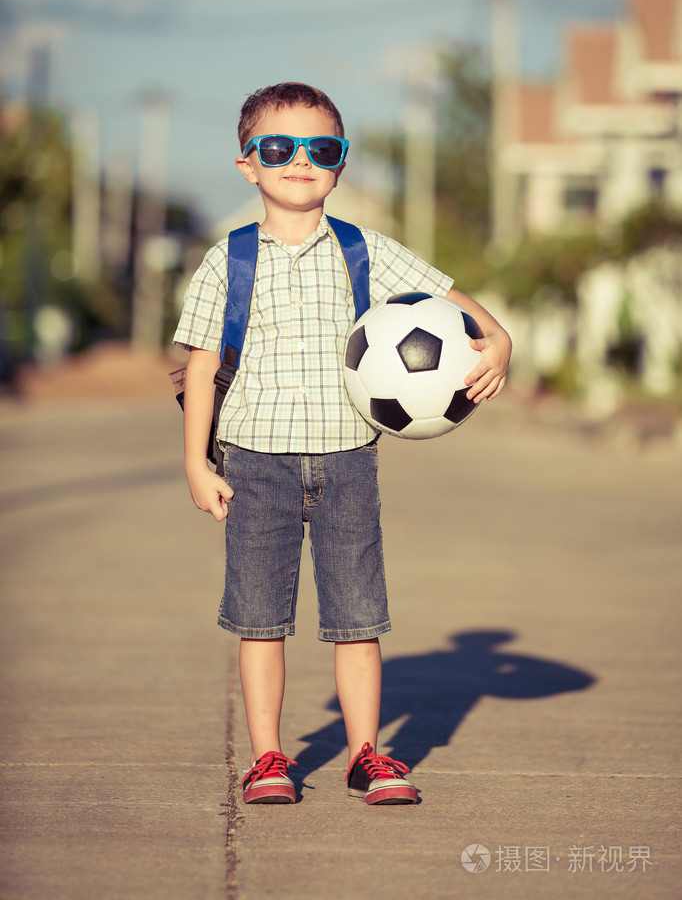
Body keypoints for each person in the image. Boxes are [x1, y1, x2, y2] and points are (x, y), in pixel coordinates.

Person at [173, 82, 511, 806]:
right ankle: (268, 755)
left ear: (341, 162)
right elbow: (202, 365)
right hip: (255, 462)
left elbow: (452, 298)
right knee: (260, 619)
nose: (300, 161)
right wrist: (195, 464)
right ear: (248, 165)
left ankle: (367, 753)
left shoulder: (365, 249)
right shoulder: (227, 258)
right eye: (278, 148)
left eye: (321, 148)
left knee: (358, 617)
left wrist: (500, 338)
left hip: (348, 458)